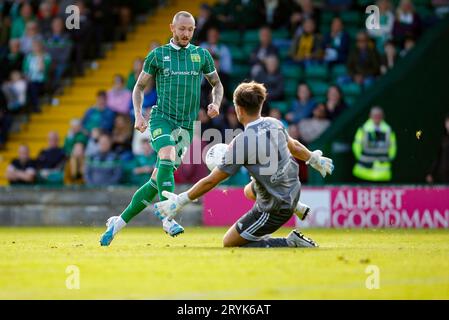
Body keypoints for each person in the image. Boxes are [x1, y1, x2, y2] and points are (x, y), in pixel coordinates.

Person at [153, 81, 334, 248]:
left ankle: (290, 242)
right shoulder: (274, 123)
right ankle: (297, 207)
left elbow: (212, 180)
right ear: (260, 105)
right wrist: (313, 159)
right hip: (293, 188)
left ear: (238, 109)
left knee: (230, 242)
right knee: (249, 190)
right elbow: (293, 145)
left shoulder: (243, 142)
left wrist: (180, 200)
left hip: (275, 206)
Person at [100, 11, 224, 245]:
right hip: (161, 119)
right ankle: (168, 219)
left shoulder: (201, 55)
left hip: (186, 128)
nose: (186, 33)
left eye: (190, 29)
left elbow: (217, 84)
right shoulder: (158, 55)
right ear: (172, 28)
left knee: (156, 181)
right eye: (182, 28)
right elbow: (138, 88)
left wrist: (215, 103)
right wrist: (138, 115)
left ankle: (118, 223)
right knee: (166, 154)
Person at [352, 107, 397, 182]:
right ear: (370, 116)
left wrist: (389, 158)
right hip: (364, 172)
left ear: (383, 116)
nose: (377, 117)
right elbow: (356, 145)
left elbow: (393, 146)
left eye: (379, 115)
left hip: (383, 173)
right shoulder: (363, 128)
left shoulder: (388, 130)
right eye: (375, 115)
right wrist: (361, 158)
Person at [426, 114, 449, 184]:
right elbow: (438, 158)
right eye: (448, 122)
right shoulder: (443, 140)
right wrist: (431, 173)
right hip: (443, 177)